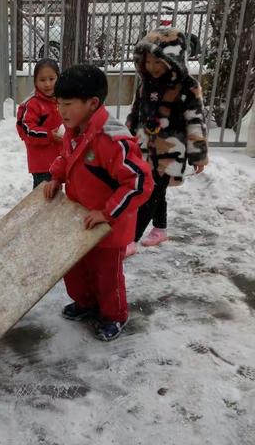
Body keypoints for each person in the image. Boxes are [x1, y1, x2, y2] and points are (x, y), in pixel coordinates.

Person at [44, 65, 153, 341]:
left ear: (92, 103)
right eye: (59, 104)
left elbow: (139, 182)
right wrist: (56, 176)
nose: (62, 111)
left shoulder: (112, 140)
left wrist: (107, 213)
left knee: (107, 275)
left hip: (108, 226)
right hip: (79, 218)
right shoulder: (75, 128)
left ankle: (114, 315)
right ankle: (86, 303)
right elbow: (68, 158)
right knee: (76, 268)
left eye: (68, 104)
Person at [125, 28, 208, 256]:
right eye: (148, 61)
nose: (152, 67)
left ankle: (131, 239)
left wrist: (198, 154)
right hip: (144, 149)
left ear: (173, 61)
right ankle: (160, 228)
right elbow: (135, 112)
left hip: (170, 152)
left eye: (158, 62)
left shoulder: (188, 88)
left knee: (150, 193)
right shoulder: (146, 84)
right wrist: (127, 137)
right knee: (156, 192)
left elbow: (195, 121)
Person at [16, 58, 63, 188]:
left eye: (51, 79)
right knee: (44, 197)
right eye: (42, 80)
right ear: (35, 82)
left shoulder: (63, 100)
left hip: (61, 159)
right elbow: (27, 131)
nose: (47, 84)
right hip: (42, 163)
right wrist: (49, 135)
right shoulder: (32, 104)